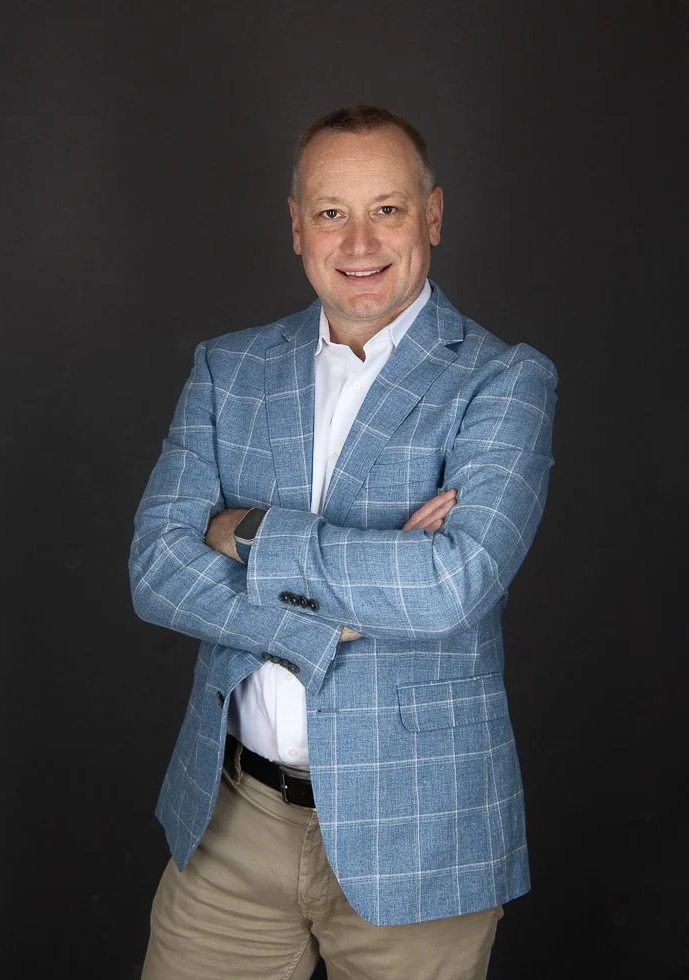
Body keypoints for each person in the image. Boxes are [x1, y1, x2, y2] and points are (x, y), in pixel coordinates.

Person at [130, 104, 558, 980]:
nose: (358, 240)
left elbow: (452, 582)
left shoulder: (505, 379)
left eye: (388, 209)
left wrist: (242, 534)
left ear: (432, 216)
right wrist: (329, 620)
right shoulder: (228, 368)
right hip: (231, 824)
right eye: (331, 212)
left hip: (421, 836)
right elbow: (156, 572)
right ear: (297, 228)